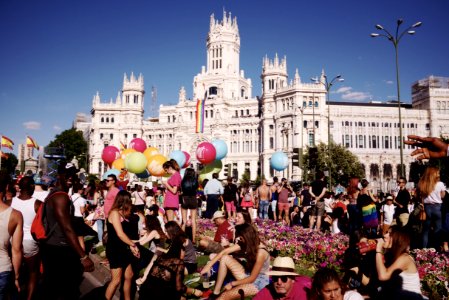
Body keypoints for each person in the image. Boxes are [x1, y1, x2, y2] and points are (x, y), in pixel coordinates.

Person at [40, 173, 94, 300]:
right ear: (59, 176)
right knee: (65, 289)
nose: (70, 178)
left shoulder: (53, 194)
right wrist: (83, 256)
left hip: (52, 246)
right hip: (59, 248)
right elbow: (67, 229)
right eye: (66, 175)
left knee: (52, 287)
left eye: (72, 176)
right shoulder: (60, 197)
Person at [201, 223, 270, 300]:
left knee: (224, 296)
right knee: (225, 258)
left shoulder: (261, 252)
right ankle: (215, 293)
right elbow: (224, 252)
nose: (238, 239)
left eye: (240, 237)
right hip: (247, 274)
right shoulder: (247, 243)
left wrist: (232, 284)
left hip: (258, 281)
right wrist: (208, 266)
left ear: (246, 237)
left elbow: (252, 278)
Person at [139, 221, 203, 299]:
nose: (165, 233)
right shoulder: (175, 241)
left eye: (166, 231)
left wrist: (160, 250)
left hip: (189, 264)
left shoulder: (183, 241)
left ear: (171, 231)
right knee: (174, 284)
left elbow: (179, 255)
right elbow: (178, 287)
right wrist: (193, 291)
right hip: (162, 292)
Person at [105, 190, 140, 300]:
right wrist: (133, 245)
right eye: (130, 200)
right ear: (125, 200)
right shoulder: (114, 213)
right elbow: (120, 234)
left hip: (123, 248)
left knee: (129, 276)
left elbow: (125, 234)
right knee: (116, 281)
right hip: (115, 249)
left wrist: (130, 246)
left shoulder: (122, 213)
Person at [10, 176, 42, 300]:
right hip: (30, 242)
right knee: (33, 273)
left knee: (13, 273)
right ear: (32, 187)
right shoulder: (38, 204)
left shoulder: (10, 202)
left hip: (13, 241)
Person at [376, 226, 423, 298]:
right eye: (386, 233)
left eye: (390, 234)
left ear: (398, 239)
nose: (384, 236)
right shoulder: (393, 257)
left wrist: (378, 250)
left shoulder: (405, 258)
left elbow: (383, 276)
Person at [0, 171, 23, 299]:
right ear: (7, 187)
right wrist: (16, 277)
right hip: (2, 269)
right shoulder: (15, 215)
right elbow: (16, 250)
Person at [418, 166, 446, 249]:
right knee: (437, 229)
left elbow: (419, 196)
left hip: (427, 208)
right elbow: (443, 195)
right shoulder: (440, 184)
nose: (438, 174)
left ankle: (424, 249)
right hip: (437, 207)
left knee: (425, 230)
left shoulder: (422, 183)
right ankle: (436, 248)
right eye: (437, 173)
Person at [180, 168, 199, 241]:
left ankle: (182, 239)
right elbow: (196, 189)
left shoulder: (183, 181)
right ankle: (193, 239)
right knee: (193, 220)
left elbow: (181, 189)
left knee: (184, 221)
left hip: (185, 198)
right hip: (193, 198)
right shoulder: (195, 181)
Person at [70, 182, 88, 251]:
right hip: (79, 219)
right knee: (80, 238)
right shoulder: (81, 199)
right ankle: (82, 254)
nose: (83, 190)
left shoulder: (70, 197)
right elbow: (82, 211)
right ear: (79, 190)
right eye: (82, 189)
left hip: (71, 218)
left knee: (73, 237)